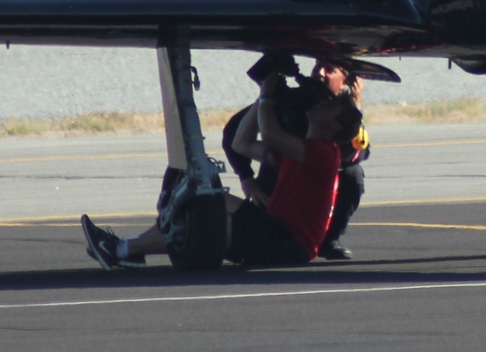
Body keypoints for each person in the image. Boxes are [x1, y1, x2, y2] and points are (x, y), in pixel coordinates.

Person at [84, 72, 360, 269]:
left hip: (289, 244)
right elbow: (242, 143)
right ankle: (131, 250)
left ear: (335, 126)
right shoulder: (302, 150)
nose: (322, 103)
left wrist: (267, 95)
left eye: (330, 105)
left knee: (206, 222)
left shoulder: (325, 153)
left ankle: (120, 250)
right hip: (275, 227)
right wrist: (262, 99)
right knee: (206, 198)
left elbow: (270, 134)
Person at [312, 58, 370, 260]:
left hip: (320, 168)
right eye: (318, 67)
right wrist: (246, 177)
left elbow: (357, 152)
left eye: (329, 69)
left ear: (345, 81)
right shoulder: (292, 100)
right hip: (292, 168)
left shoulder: (346, 110)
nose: (320, 73)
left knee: (353, 174)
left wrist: (356, 106)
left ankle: (330, 239)